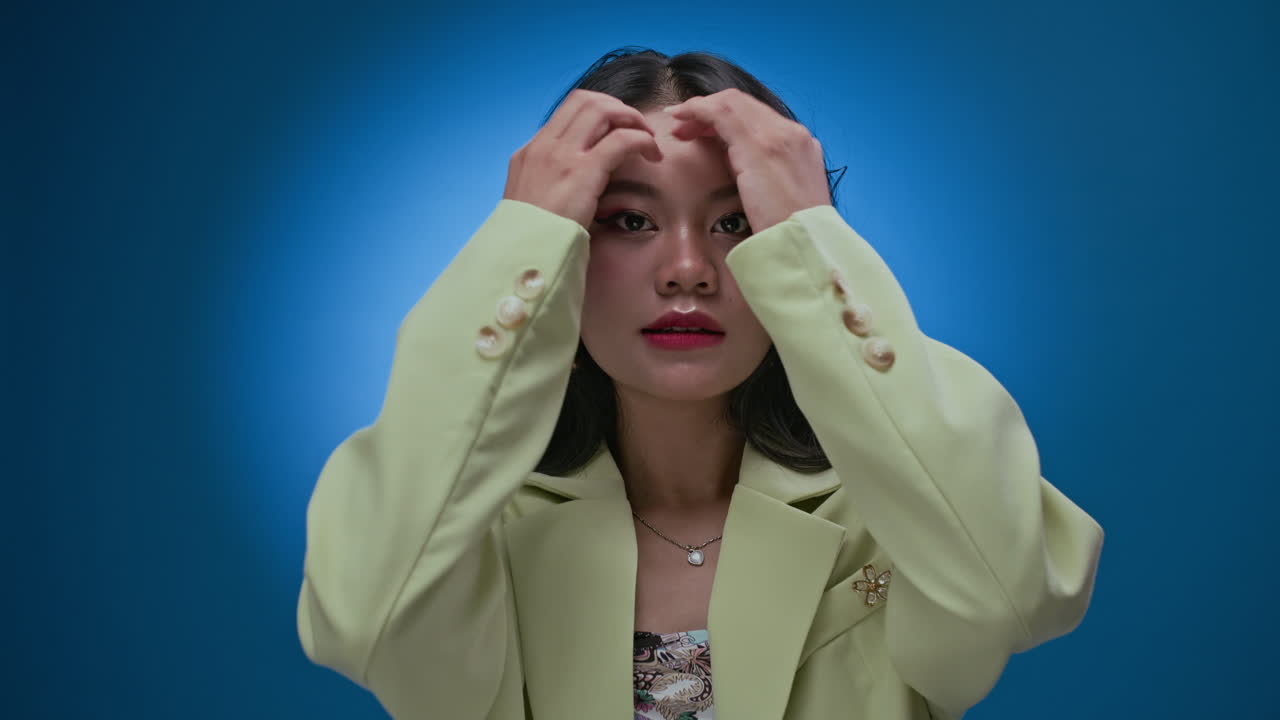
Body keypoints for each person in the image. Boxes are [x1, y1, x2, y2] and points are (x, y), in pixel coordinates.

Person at [296, 47, 1104, 720]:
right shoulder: (469, 536)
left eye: (736, 224)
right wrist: (521, 240)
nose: (688, 272)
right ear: (567, 254)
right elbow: (364, 616)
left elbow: (1011, 593)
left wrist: (809, 243)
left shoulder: (896, 518)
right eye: (630, 220)